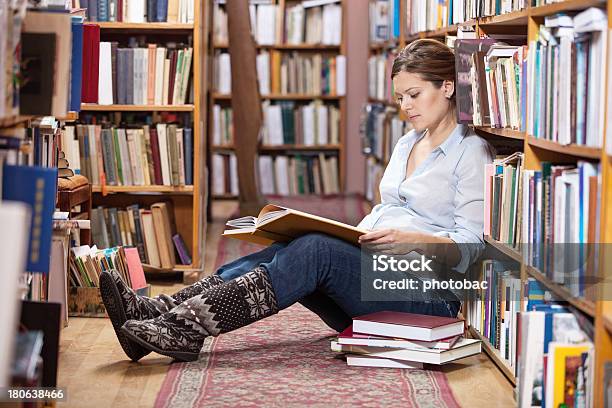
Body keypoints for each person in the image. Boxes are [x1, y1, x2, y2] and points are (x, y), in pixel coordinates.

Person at [100, 39, 495, 362]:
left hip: (425, 301)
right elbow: (385, 211)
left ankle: (183, 329)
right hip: (371, 275)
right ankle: (161, 312)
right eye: (400, 97)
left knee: (316, 252)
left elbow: (473, 246)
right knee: (296, 243)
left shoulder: (470, 152)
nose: (405, 106)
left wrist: (410, 242)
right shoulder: (408, 141)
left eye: (414, 94)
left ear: (447, 86)